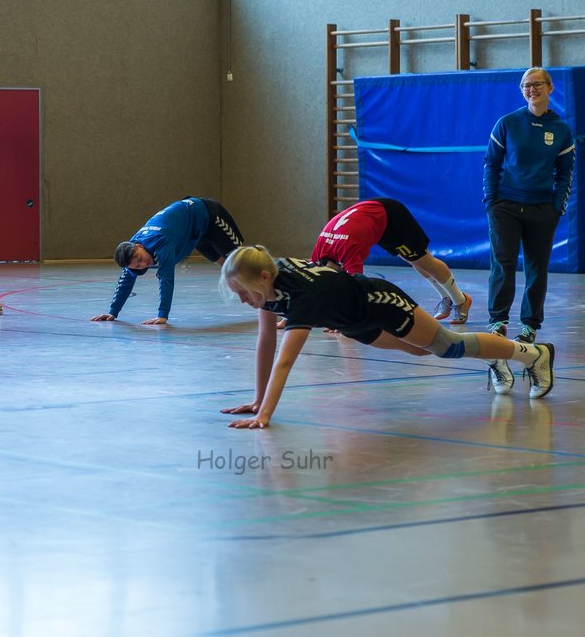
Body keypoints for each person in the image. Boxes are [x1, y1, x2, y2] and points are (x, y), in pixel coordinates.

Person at [219, 245, 555, 430]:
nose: (242, 300)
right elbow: (266, 342)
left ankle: (532, 354)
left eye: (243, 292)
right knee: (424, 352)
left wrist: (265, 415)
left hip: (377, 302)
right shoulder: (269, 283)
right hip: (353, 321)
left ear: (263, 278)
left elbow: (286, 361)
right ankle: (492, 352)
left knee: (447, 346)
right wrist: (257, 399)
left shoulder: (303, 298)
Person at [484, 67, 576, 344]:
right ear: (521, 91)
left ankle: (530, 327)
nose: (531, 89)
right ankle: (498, 321)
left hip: (542, 210)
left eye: (537, 84)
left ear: (550, 88)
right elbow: (491, 163)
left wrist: (556, 207)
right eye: (526, 85)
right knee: (503, 263)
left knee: (537, 268)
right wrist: (492, 201)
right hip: (505, 207)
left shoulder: (560, 130)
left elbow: (565, 173)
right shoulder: (508, 123)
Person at [312, 197, 472, 323]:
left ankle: (460, 299)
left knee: (424, 261)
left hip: (392, 216)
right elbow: (308, 283)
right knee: (414, 261)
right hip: (374, 218)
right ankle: (447, 297)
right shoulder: (319, 251)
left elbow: (357, 290)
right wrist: (291, 315)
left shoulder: (348, 250)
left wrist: (341, 320)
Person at [91, 197, 244, 324]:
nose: (144, 264)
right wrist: (113, 312)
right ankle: (249, 289)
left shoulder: (160, 242)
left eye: (140, 259)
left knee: (240, 261)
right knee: (226, 265)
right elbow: (126, 281)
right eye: (137, 266)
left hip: (209, 216)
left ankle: (266, 288)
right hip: (195, 233)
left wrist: (162, 315)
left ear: (139, 246)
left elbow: (166, 278)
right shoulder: (131, 254)